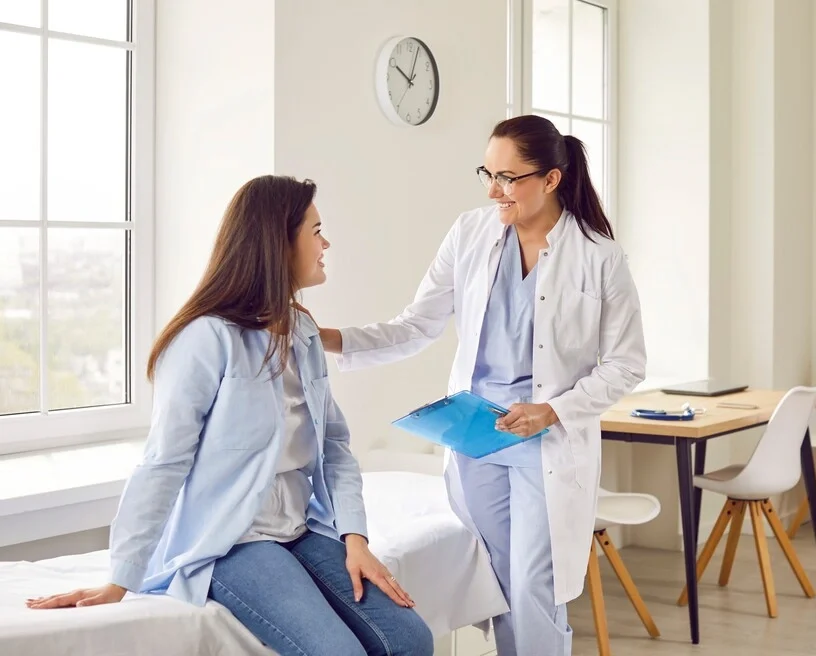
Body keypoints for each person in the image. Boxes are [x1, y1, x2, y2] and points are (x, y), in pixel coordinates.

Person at [25, 175, 434, 656]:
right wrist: (121, 577)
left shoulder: (301, 329)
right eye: (315, 230)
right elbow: (164, 462)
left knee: (411, 639)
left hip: (301, 528)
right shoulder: (206, 339)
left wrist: (356, 539)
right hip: (232, 542)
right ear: (277, 243)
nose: (326, 243)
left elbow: (334, 447)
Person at [315, 115, 646, 656]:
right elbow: (415, 325)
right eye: (487, 174)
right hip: (475, 436)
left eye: (508, 178)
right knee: (501, 584)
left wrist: (553, 410)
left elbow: (627, 364)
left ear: (551, 180)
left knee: (535, 584)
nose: (494, 190)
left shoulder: (599, 257)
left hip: (544, 444)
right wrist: (325, 337)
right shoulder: (471, 233)